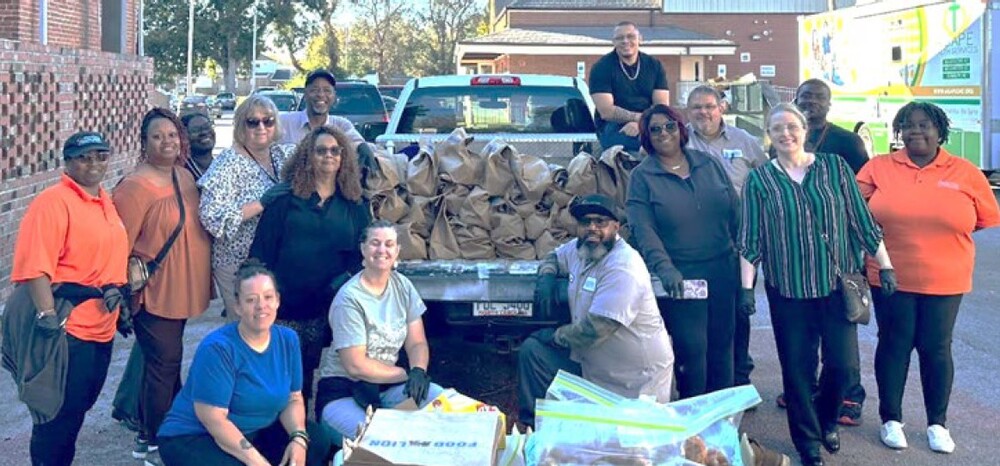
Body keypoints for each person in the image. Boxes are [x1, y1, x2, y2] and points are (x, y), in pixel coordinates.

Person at [738, 103, 897, 466]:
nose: (785, 133)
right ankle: (808, 442)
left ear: (804, 129)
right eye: (776, 127)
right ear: (769, 133)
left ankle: (827, 418)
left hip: (834, 286)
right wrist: (747, 288)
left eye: (791, 126)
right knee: (797, 370)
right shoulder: (760, 180)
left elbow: (861, 221)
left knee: (842, 367)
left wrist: (884, 265)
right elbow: (750, 239)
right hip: (788, 291)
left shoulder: (834, 168)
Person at [856, 102, 1000, 453]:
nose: (915, 131)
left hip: (945, 277)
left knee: (936, 349)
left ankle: (938, 424)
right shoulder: (879, 167)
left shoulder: (965, 172)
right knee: (894, 344)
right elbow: (855, 211)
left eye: (924, 125)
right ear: (898, 131)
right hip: (889, 274)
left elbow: (984, 218)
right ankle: (891, 420)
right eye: (907, 125)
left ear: (940, 130)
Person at [7, 131, 129, 465]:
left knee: (76, 412)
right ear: (68, 162)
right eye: (83, 157)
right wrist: (47, 317)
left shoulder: (104, 201)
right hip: (67, 328)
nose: (93, 164)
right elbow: (35, 266)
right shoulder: (54, 202)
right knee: (55, 418)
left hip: (100, 325)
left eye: (101, 156)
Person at [156, 260, 334, 465]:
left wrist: (298, 438)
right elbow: (214, 419)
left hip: (256, 429)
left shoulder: (288, 339)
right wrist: (257, 462)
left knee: (317, 441)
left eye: (268, 297)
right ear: (238, 306)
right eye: (251, 300)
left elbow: (293, 398)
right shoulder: (218, 348)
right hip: (196, 435)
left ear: (277, 300)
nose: (261, 306)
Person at [518, 194, 674, 427]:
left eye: (600, 222)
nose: (592, 228)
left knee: (623, 446)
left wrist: (556, 336)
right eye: (585, 222)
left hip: (634, 382)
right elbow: (554, 255)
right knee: (533, 352)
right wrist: (547, 275)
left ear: (616, 227)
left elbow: (596, 329)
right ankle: (540, 431)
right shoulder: (582, 249)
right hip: (594, 368)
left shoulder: (624, 265)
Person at [111, 108, 213, 465]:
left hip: (182, 287)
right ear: (144, 142)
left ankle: (153, 432)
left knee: (167, 362)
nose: (167, 142)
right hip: (153, 292)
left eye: (172, 135)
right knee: (164, 365)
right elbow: (117, 245)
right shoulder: (135, 187)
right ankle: (157, 441)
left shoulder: (184, 175)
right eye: (158, 136)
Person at [249, 126, 371, 401]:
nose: (328, 156)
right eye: (320, 150)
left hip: (328, 308)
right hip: (285, 308)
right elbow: (261, 252)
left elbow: (363, 254)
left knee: (325, 375)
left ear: (343, 158)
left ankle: (318, 432)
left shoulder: (355, 204)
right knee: (288, 379)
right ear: (307, 157)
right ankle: (285, 437)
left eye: (334, 150)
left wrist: (344, 279)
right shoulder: (284, 200)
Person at [626, 104, 739, 399]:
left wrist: (745, 254)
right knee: (692, 350)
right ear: (647, 137)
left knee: (722, 347)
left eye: (669, 126)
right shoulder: (643, 176)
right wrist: (665, 269)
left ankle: (720, 422)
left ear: (680, 128)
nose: (663, 133)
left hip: (722, 269)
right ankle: (691, 423)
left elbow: (734, 209)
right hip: (681, 276)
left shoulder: (707, 164)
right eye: (655, 129)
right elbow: (643, 229)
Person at [778, 78, 870, 426]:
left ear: (829, 104)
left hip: (840, 253)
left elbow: (864, 193)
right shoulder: (784, 140)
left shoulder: (847, 142)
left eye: (818, 98)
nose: (811, 103)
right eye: (805, 97)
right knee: (804, 329)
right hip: (798, 255)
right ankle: (807, 388)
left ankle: (849, 395)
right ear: (797, 102)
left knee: (842, 328)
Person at [315, 220, 445, 441]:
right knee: (380, 440)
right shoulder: (349, 298)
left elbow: (417, 342)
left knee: (442, 406)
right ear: (363, 249)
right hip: (345, 392)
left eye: (389, 244)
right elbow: (356, 366)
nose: (382, 250)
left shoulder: (403, 286)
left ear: (397, 251)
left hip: (385, 389)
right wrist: (406, 374)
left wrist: (419, 371)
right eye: (375, 243)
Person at [684, 85, 768, 389]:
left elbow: (767, 178)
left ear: (722, 107)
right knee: (698, 309)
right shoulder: (679, 141)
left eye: (709, 106)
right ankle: (704, 379)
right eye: (696, 107)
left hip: (737, 240)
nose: (703, 113)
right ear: (687, 111)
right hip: (693, 239)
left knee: (737, 310)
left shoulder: (744, 141)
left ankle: (739, 376)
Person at [199, 95, 295, 320]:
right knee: (246, 330)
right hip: (237, 264)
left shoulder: (282, 155)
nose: (261, 127)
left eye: (268, 121)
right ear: (241, 126)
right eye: (253, 122)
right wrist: (261, 203)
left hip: (273, 260)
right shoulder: (228, 163)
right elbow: (211, 217)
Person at [589, 21, 669, 153]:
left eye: (630, 36)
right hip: (613, 125)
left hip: (650, 121)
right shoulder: (602, 67)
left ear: (640, 39)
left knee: (678, 141)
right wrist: (640, 119)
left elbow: (662, 106)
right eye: (619, 38)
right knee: (641, 149)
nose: (625, 41)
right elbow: (606, 111)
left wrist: (642, 122)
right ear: (613, 42)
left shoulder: (654, 65)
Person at [278, 69, 376, 169]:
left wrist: (362, 147)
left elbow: (357, 142)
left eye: (327, 90)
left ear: (334, 96)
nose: (321, 95)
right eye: (314, 90)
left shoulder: (341, 125)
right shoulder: (285, 122)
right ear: (305, 94)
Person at [180, 112, 216, 180]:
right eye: (195, 130)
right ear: (184, 137)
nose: (204, 132)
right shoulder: (182, 171)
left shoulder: (221, 165)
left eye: (207, 127)